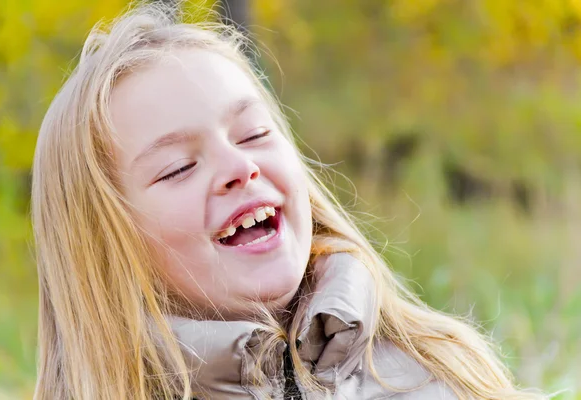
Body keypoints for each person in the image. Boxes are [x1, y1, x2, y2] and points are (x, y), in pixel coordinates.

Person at [31, 3, 545, 399]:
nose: (239, 167)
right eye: (179, 168)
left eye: (253, 134)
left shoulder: (439, 370)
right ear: (99, 244)